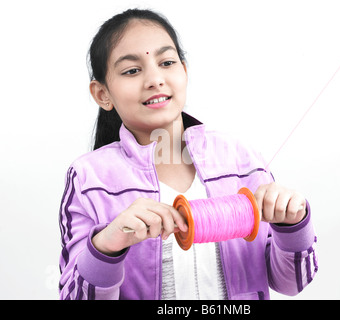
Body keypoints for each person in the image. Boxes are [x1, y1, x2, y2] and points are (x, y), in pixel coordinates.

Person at [58, 8, 318, 300]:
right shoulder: (88, 177)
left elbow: (291, 283)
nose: (155, 79)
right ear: (102, 94)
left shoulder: (240, 158)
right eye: (132, 70)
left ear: (184, 71)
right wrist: (107, 244)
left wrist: (293, 223)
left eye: (166, 62)